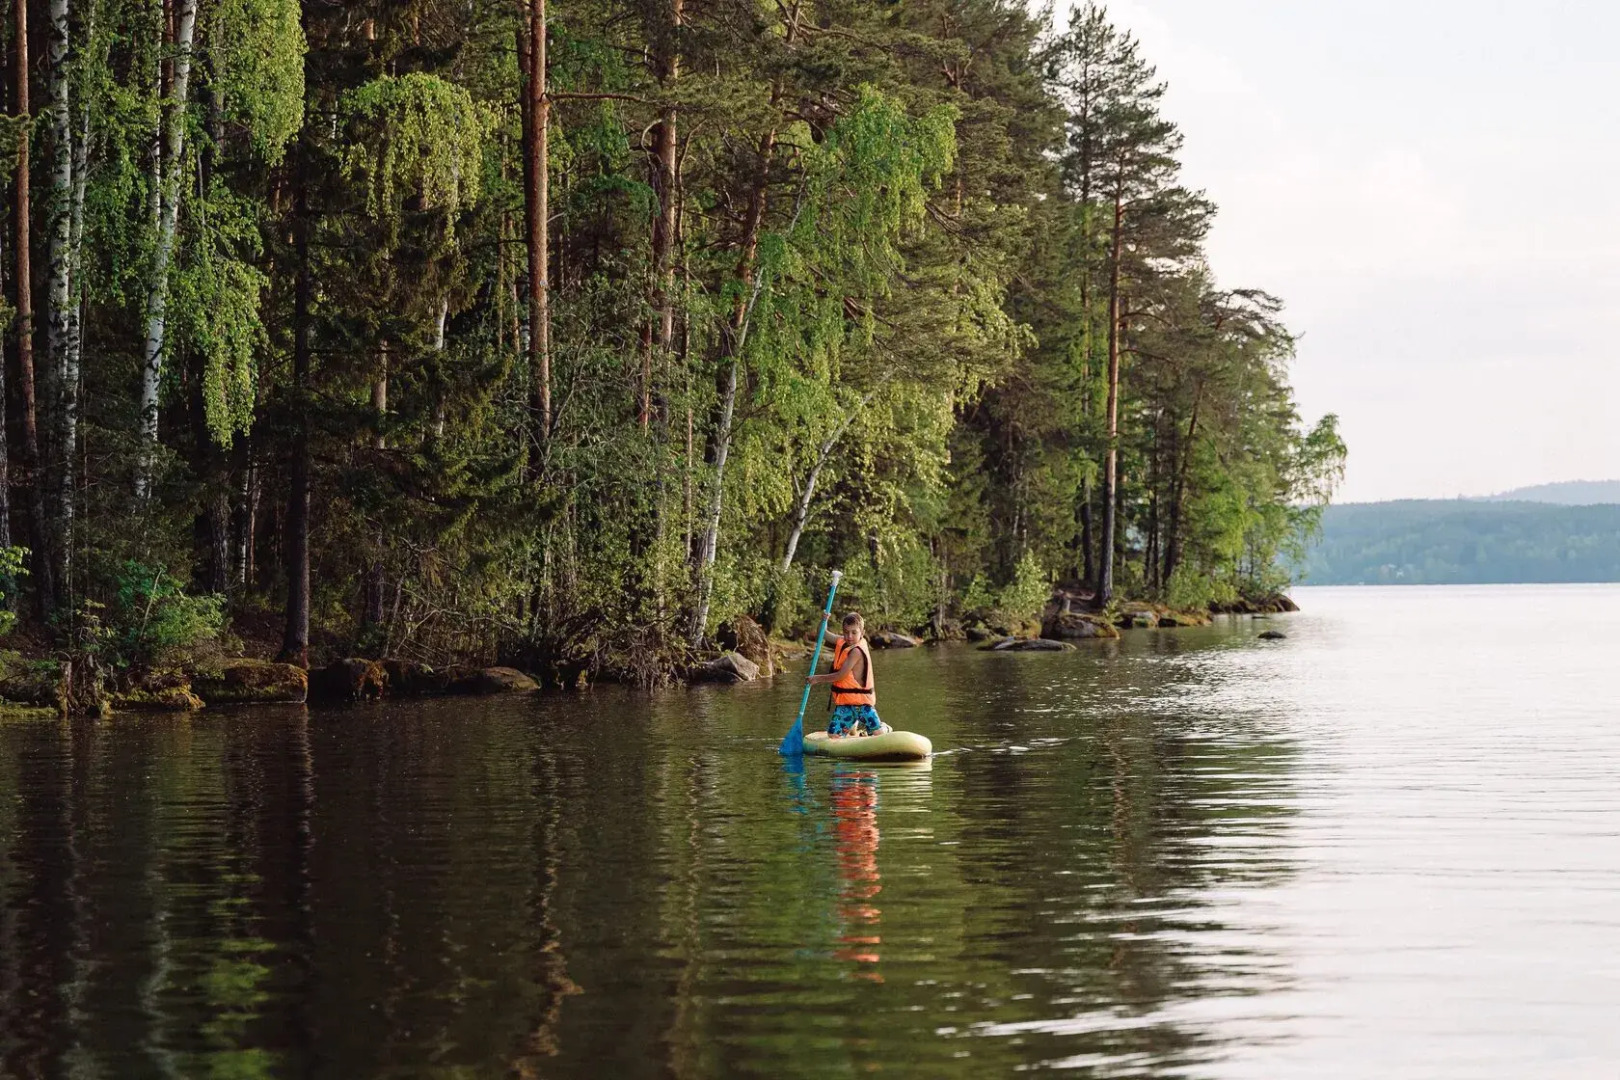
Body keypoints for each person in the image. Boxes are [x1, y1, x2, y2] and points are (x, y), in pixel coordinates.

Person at [806, 612, 891, 738]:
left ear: (862, 633)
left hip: (863, 705)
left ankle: (884, 727)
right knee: (833, 736)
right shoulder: (842, 641)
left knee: (878, 734)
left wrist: (817, 679)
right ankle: (852, 724)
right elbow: (822, 633)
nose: (849, 636)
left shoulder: (856, 651)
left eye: (854, 632)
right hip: (845, 704)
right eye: (846, 632)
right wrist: (824, 620)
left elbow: (840, 675)